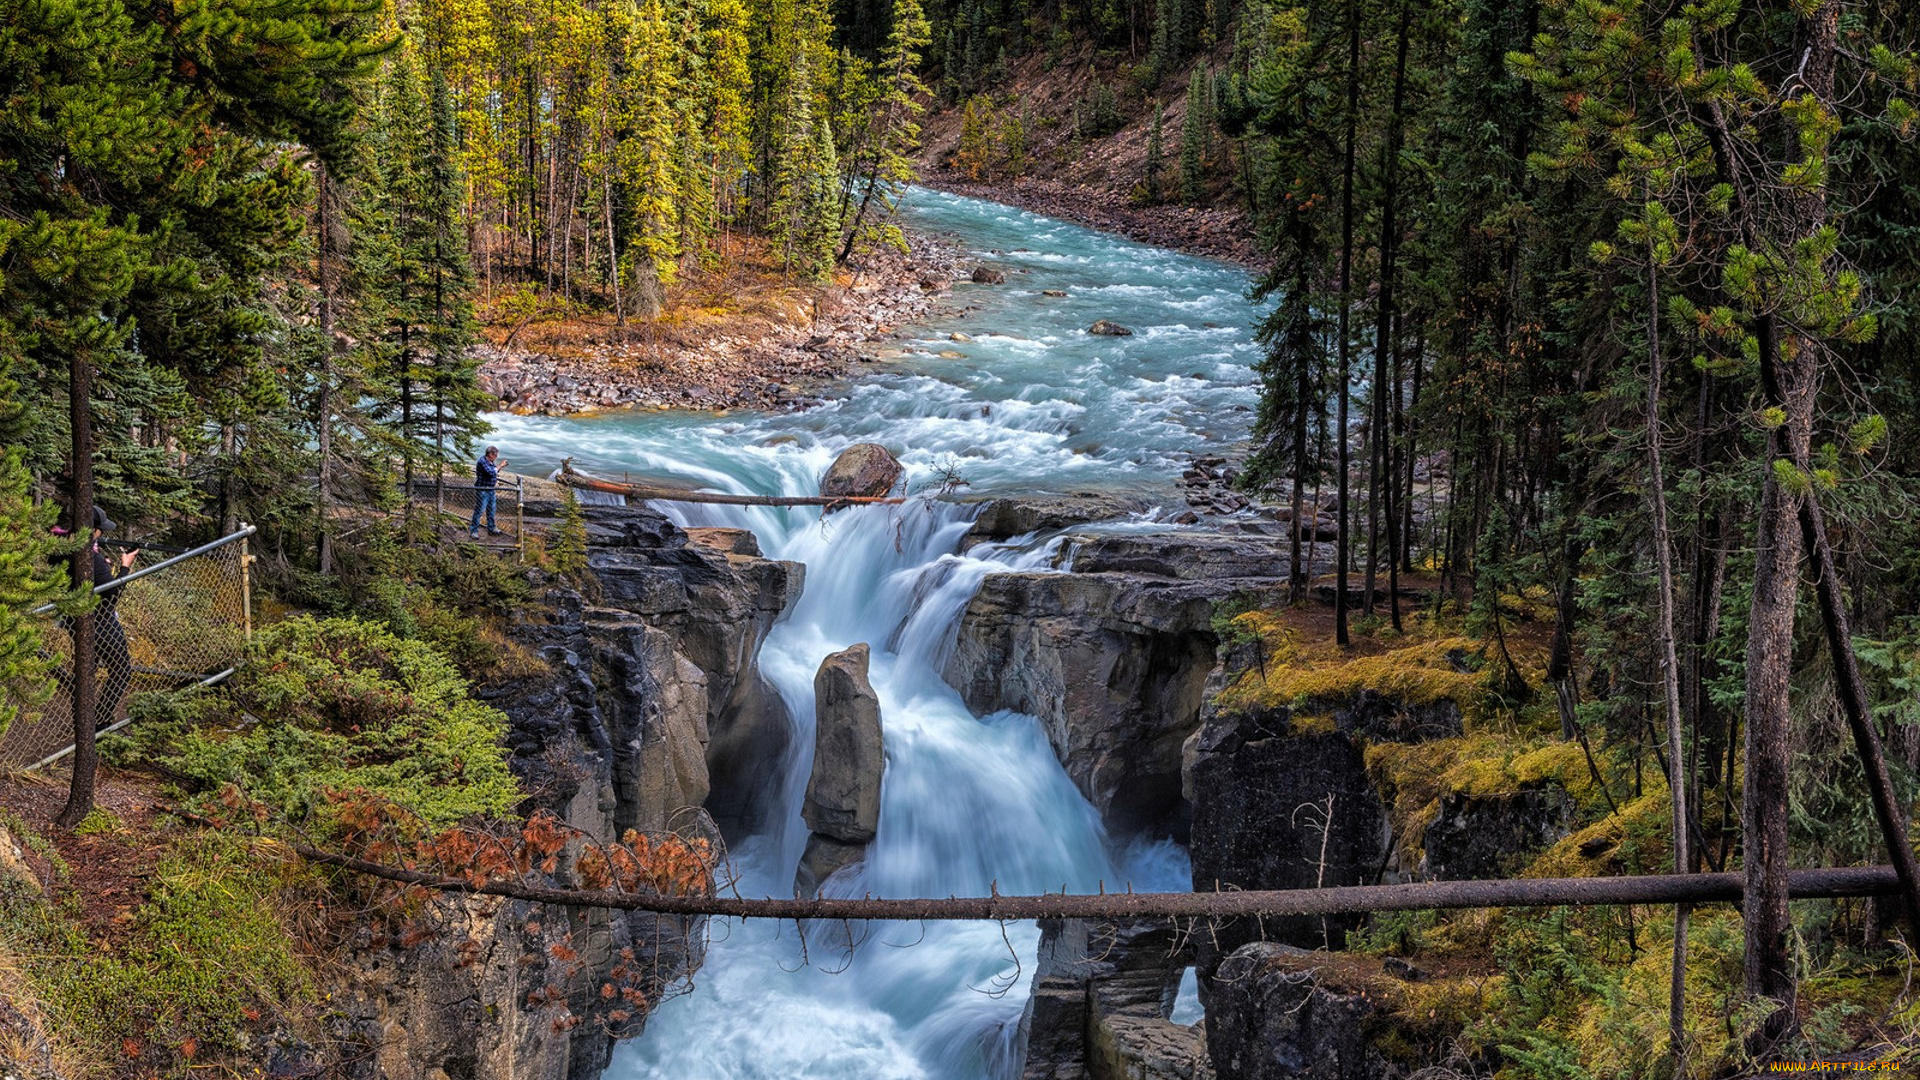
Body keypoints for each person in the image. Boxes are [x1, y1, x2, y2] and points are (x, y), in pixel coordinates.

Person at [52, 505, 138, 728]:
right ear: (92, 530)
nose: (102, 533)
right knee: (120, 670)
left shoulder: (59, 549)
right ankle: (100, 721)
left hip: (73, 619)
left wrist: (101, 569)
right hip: (102, 621)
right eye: (100, 529)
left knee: (86, 670)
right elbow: (112, 595)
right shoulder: (92, 559)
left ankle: (83, 721)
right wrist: (125, 568)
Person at [470, 445, 508, 538]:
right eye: (495, 455)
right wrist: (500, 465)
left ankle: (492, 528)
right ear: (490, 454)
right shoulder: (482, 461)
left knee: (491, 510)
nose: (496, 457)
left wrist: (499, 467)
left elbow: (494, 471)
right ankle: (473, 531)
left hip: (490, 489)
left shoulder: (490, 461)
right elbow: (491, 473)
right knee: (479, 510)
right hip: (482, 489)